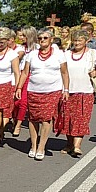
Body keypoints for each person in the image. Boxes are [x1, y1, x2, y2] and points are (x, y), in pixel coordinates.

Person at [15, 27, 69, 160]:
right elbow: (25, 73)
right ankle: (33, 145)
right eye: (40, 38)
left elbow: (64, 73)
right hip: (34, 90)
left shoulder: (59, 54)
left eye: (45, 38)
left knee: (46, 118)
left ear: (51, 39)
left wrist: (66, 90)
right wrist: (19, 88)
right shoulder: (32, 54)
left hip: (52, 90)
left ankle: (41, 146)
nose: (42, 40)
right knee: (33, 119)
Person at [60, 29, 96, 157]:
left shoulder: (92, 54)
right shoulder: (66, 54)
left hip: (86, 91)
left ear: (86, 41)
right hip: (68, 91)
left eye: (80, 40)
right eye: (75, 40)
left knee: (82, 119)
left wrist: (95, 73)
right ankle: (69, 144)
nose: (77, 43)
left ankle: (77, 146)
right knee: (68, 119)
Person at [11, 26, 38, 137]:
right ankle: (14, 119)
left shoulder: (37, 48)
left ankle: (18, 124)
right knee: (15, 101)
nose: (20, 37)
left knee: (23, 101)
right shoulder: (20, 48)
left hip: (30, 74)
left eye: (23, 35)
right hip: (19, 73)